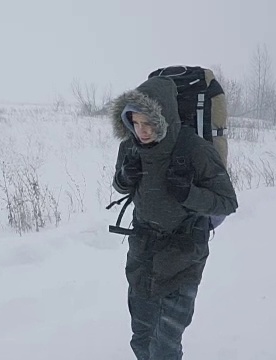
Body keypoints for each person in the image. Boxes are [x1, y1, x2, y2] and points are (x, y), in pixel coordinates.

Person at [109, 76, 238, 360]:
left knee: (165, 346)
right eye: (135, 123)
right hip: (142, 253)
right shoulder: (130, 146)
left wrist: (188, 193)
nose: (141, 131)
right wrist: (124, 177)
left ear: (164, 117)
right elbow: (120, 185)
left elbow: (228, 202)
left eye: (148, 123)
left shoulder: (194, 149)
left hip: (183, 255)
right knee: (142, 337)